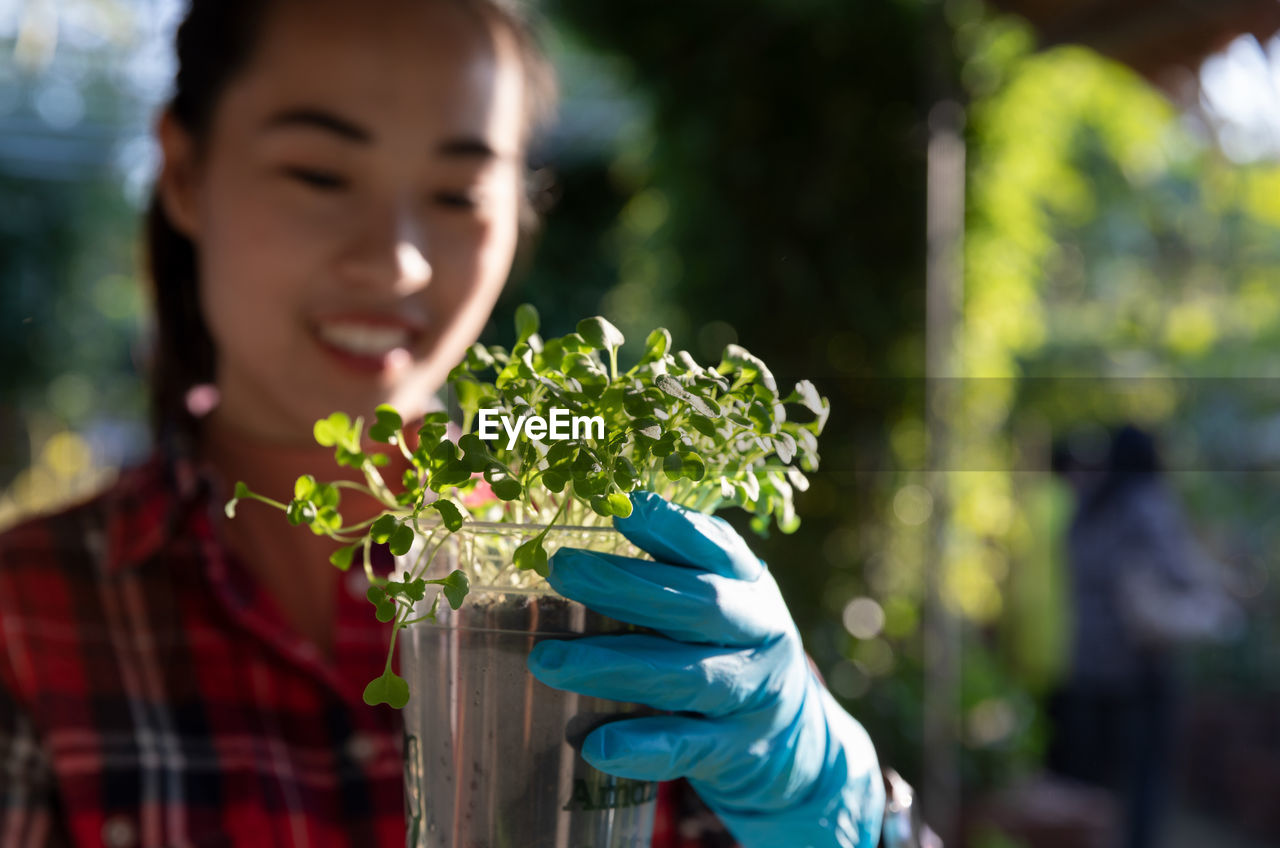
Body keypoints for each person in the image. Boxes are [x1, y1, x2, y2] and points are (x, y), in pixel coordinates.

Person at [0, 1, 886, 845]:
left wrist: (826, 797)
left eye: (458, 192)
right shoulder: (28, 616)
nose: (396, 259)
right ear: (186, 175)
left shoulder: (606, 563)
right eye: (318, 173)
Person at [1048, 424, 1240, 848]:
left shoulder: (1088, 507)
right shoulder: (1148, 504)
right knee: (1144, 789)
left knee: (1093, 790)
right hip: (1142, 670)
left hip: (1088, 668)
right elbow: (1182, 572)